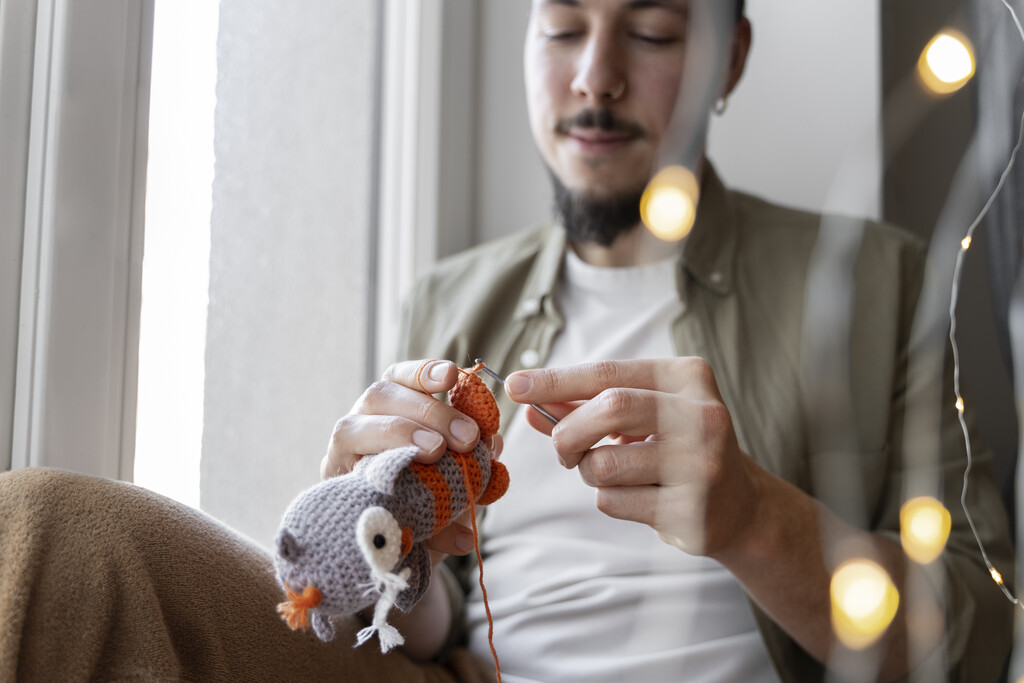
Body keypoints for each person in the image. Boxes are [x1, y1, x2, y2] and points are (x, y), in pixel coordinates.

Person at [0, 0, 1013, 681]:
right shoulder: (451, 299)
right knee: (47, 537)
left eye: (653, 31)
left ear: (728, 59)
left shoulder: (883, 282)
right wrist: (382, 556)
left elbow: (976, 631)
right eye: (562, 26)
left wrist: (754, 519)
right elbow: (428, 627)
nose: (595, 77)